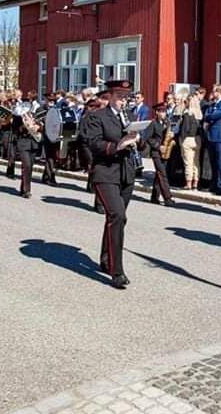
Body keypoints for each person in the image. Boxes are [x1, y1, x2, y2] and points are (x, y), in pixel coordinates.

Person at [84, 80, 140, 289]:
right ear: (110, 97)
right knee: (118, 215)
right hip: (105, 173)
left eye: (126, 97)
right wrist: (118, 145)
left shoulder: (130, 117)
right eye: (119, 97)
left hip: (126, 173)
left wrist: (138, 138)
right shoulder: (97, 117)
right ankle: (116, 271)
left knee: (115, 219)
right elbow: (94, 144)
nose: (123, 101)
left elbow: (138, 145)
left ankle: (106, 258)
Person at [145, 103, 175, 206]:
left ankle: (154, 196)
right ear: (157, 112)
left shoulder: (167, 122)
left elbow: (168, 135)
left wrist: (171, 137)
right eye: (161, 112)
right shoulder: (152, 123)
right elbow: (148, 138)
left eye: (164, 111)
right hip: (156, 152)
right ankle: (168, 198)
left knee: (159, 174)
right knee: (162, 174)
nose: (163, 114)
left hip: (166, 151)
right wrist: (158, 146)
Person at [203, 85, 221, 195]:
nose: (212, 93)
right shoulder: (213, 104)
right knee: (213, 162)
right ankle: (214, 184)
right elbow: (207, 114)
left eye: (214, 91)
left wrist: (209, 116)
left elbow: (215, 115)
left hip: (220, 137)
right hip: (211, 136)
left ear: (219, 92)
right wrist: (209, 116)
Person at [179, 94, 202, 190]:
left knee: (188, 162)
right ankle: (196, 182)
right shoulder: (199, 114)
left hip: (187, 139)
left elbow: (185, 129)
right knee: (196, 162)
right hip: (197, 139)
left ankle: (188, 183)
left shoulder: (187, 114)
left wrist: (181, 138)